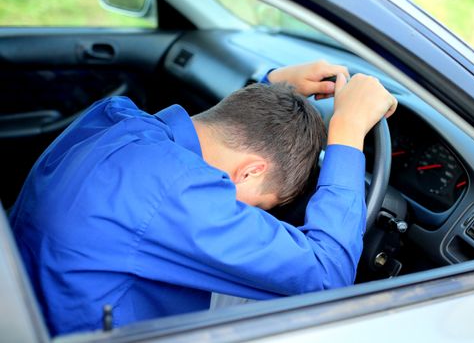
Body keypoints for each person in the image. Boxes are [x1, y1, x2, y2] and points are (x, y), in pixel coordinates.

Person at [9, 60, 397, 336]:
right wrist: (347, 131)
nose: (254, 214)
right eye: (260, 206)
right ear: (250, 171)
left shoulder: (117, 118)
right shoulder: (180, 190)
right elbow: (328, 278)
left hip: (40, 302)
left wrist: (268, 86)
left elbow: (223, 127)